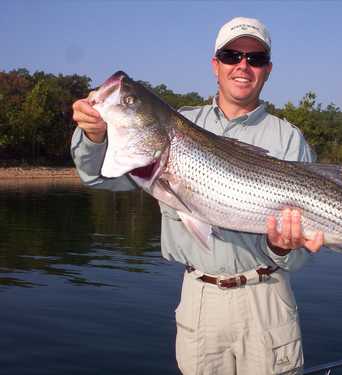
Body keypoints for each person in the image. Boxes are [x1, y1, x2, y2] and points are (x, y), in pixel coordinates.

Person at [71, 16, 324, 375]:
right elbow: (96, 176)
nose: (242, 65)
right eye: (231, 55)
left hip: (268, 301)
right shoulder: (178, 122)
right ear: (215, 65)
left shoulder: (288, 139)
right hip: (199, 302)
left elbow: (298, 261)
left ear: (267, 70)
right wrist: (95, 136)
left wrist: (284, 247)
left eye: (254, 59)